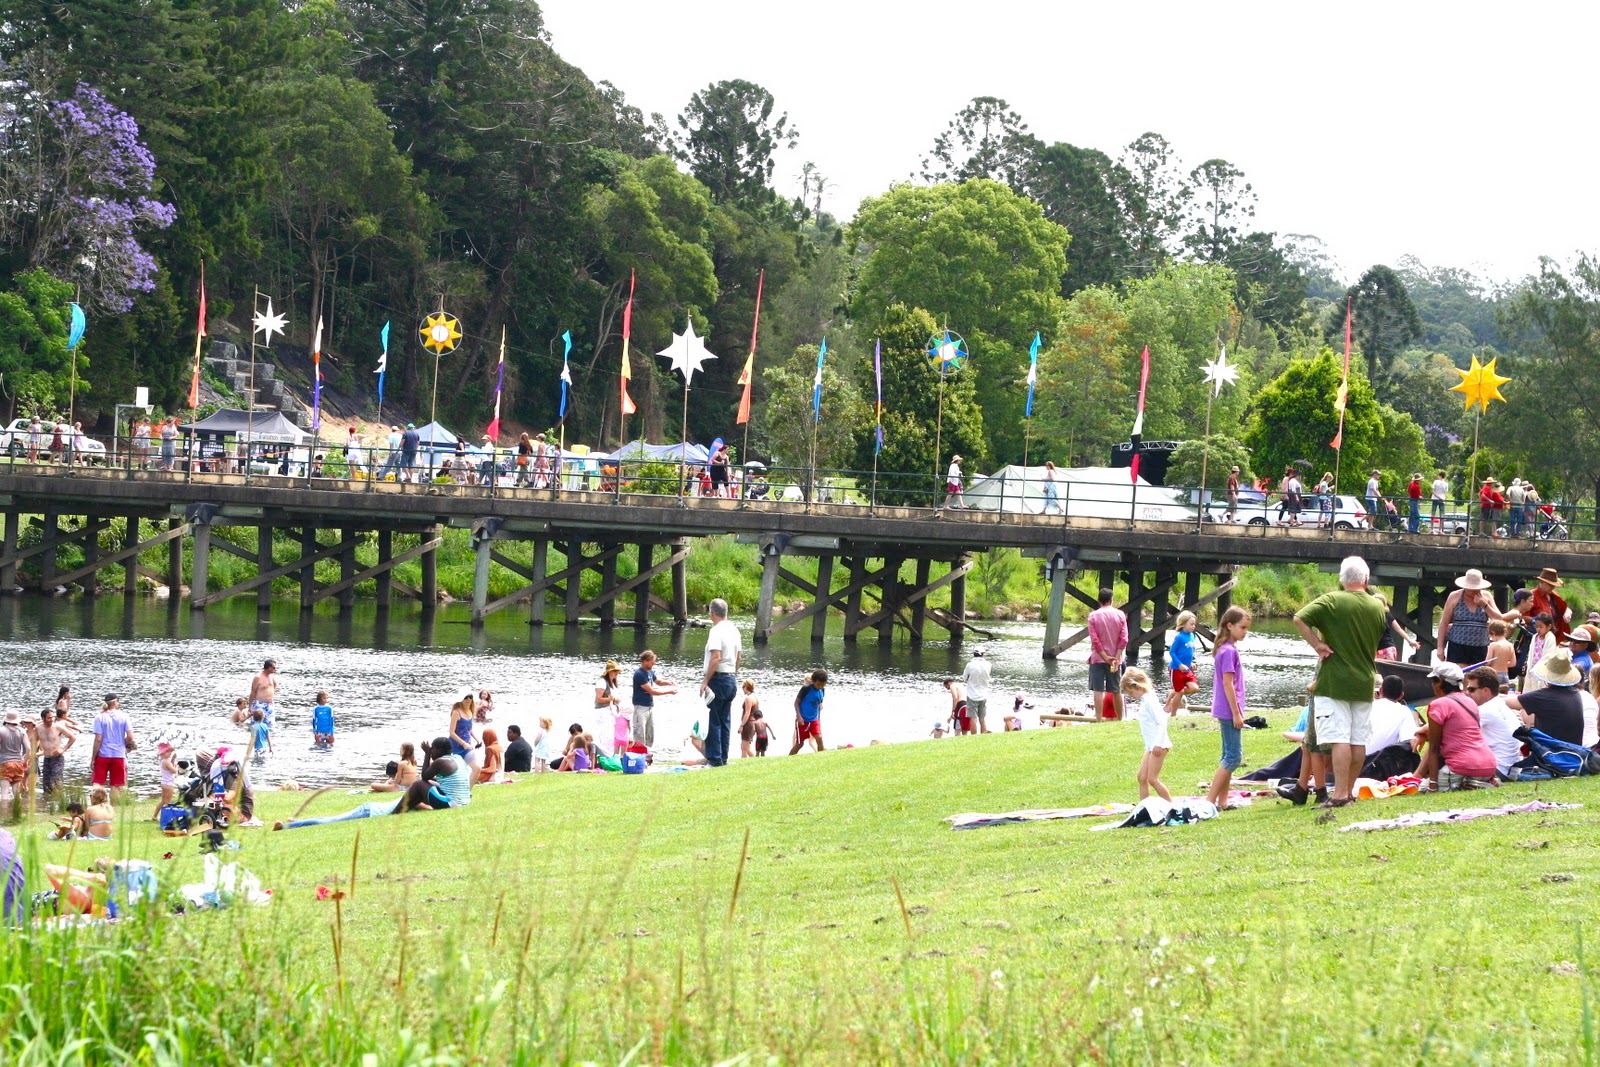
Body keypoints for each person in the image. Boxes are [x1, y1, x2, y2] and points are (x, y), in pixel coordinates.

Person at [1293, 556, 1386, 809]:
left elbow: (1299, 618)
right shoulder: (1377, 607)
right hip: (1365, 679)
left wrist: (1318, 645)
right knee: (1358, 740)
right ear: (1366, 580)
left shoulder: (1332, 600)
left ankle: (1339, 795)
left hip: (1334, 680)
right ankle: (1348, 792)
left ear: (1342, 579)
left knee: (1339, 739)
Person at [1416, 663, 1499, 791]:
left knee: (1421, 788)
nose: (1432, 685)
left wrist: (1433, 785)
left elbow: (1434, 748)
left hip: (1462, 766)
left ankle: (1464, 783)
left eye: (1434, 681)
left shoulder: (1438, 704)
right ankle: (1473, 784)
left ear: (1441, 682)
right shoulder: (1470, 702)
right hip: (1488, 766)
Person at [1205, 606, 1252, 809]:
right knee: (1233, 757)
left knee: (1228, 755)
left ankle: (1223, 802)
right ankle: (1209, 802)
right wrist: (1236, 714)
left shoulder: (1226, 649)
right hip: (1228, 710)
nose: (1244, 632)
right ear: (1229, 625)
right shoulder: (1227, 651)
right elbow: (1228, 684)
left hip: (1228, 709)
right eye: (1242, 627)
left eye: (1246, 629)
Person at [1505, 647, 1585, 745]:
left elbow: (1508, 703)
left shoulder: (1544, 696)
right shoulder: (1575, 694)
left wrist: (1497, 694)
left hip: (1551, 754)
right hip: (1572, 753)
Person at [698, 598, 742, 767]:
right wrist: (734, 674)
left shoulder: (716, 631)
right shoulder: (734, 630)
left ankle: (715, 759)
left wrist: (705, 681)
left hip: (718, 678)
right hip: (731, 677)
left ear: (711, 613)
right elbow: (739, 657)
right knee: (725, 720)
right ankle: (723, 757)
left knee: (714, 719)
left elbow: (716, 657)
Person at [1436, 569, 1512, 667]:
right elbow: (1444, 623)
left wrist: (1485, 605)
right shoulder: (1455, 596)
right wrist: (1440, 647)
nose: (1475, 591)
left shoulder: (1486, 596)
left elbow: (1498, 619)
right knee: (1460, 676)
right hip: (1458, 644)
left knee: (1478, 677)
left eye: (1477, 588)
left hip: (1480, 645)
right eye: (1471, 589)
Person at [1463, 665, 1526, 777]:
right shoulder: (1498, 703)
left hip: (1499, 770)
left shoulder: (1485, 710)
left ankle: (1423, 777)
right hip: (1509, 770)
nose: (1467, 693)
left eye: (1471, 689)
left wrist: (1421, 730)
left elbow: (1452, 729)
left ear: (1485, 690)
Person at [1123, 668, 1172, 802]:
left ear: (1137, 686)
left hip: (1159, 745)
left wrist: (1157, 744)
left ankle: (1172, 807)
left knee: (1152, 779)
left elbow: (1161, 721)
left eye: (1130, 692)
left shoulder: (1150, 699)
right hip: (1150, 746)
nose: (1131, 695)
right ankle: (1144, 807)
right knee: (1142, 777)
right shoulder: (1145, 700)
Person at [1087, 587, 1128, 720]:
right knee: (1116, 690)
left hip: (1098, 658)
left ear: (1099, 600)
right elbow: (1124, 638)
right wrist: (1116, 657)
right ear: (1111, 600)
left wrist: (1105, 656)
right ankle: (1120, 719)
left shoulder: (1093, 616)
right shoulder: (1120, 614)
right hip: (1116, 659)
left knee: (1098, 690)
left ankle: (1098, 719)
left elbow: (1095, 640)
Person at [90, 694, 136, 800]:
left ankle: (95, 805)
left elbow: (98, 739)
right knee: (115, 785)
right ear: (115, 703)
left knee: (97, 782)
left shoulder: (100, 717)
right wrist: (122, 743)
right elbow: (130, 736)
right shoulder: (124, 716)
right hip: (119, 755)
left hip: (103, 754)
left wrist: (93, 758)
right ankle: (114, 808)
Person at [632, 650, 675, 749]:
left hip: (649, 707)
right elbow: (651, 691)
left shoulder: (650, 672)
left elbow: (658, 681)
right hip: (640, 708)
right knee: (640, 733)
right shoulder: (639, 674)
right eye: (652, 662)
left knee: (649, 733)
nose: (654, 663)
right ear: (645, 661)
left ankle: (647, 754)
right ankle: (638, 755)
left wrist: (669, 682)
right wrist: (668, 692)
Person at [1520, 567, 1570, 644]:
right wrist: (1536, 620)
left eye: (1553, 585)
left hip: (1555, 638)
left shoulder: (1553, 596)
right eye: (1550, 584)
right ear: (1541, 582)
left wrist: (1567, 611)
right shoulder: (1531, 596)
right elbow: (1521, 616)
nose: (1553, 587)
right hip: (1536, 638)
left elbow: (1563, 607)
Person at [35, 705, 76, 797]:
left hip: (57, 758)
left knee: (55, 781)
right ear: (43, 718)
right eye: (49, 718)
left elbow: (72, 737)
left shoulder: (58, 727)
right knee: (46, 784)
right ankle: (47, 804)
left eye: (52, 717)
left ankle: (58, 801)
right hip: (46, 758)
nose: (51, 719)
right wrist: (36, 752)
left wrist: (63, 749)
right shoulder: (38, 728)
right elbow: (35, 740)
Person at [1164, 611, 1200, 716]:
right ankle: (1173, 714)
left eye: (1194, 624)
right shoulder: (1179, 637)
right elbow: (1172, 652)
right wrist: (1179, 664)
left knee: (1194, 688)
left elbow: (1190, 651)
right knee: (1180, 692)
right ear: (1183, 624)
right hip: (1176, 669)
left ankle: (1173, 692)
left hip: (1187, 669)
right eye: (1191, 624)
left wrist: (1192, 662)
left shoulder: (1192, 636)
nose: (1193, 626)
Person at [0, 711, 30, 820]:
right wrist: (25, 761)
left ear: (6, 720)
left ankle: (4, 816)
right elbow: (29, 749)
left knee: (4, 792)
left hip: (5, 763)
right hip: (18, 763)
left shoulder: (1, 731)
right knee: (17, 792)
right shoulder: (22, 731)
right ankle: (17, 814)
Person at [789, 669, 827, 754]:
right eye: (818, 684)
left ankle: (821, 759)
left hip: (814, 720)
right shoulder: (806, 689)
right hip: (803, 720)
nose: (820, 686)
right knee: (800, 744)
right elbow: (796, 703)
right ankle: (788, 759)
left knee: (819, 739)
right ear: (813, 681)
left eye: (822, 684)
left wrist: (818, 717)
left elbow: (819, 703)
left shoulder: (822, 690)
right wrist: (799, 716)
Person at [962, 649, 993, 734]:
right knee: (982, 718)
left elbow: (964, 678)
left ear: (974, 654)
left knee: (973, 718)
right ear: (983, 654)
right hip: (984, 694)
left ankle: (974, 736)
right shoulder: (988, 664)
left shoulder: (969, 665)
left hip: (972, 695)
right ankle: (983, 734)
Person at [1523, 612, 1556, 692]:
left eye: (1541, 627)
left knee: (1540, 688)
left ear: (1549, 627)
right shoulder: (1535, 637)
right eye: (1536, 627)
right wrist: (1528, 664)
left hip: (1542, 669)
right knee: (1530, 689)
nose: (1538, 629)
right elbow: (1531, 652)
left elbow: (1548, 655)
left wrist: (1537, 668)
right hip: (1532, 667)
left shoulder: (1550, 638)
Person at [152, 742, 179, 821]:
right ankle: (166, 818)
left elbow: (169, 768)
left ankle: (155, 816)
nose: (170, 753)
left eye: (170, 751)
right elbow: (174, 771)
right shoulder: (166, 762)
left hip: (164, 783)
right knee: (168, 802)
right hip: (169, 784)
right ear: (162, 753)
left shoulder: (163, 760)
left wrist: (173, 759)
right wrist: (176, 767)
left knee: (163, 801)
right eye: (167, 752)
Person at [1485, 621, 1517, 686]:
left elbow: (1488, 662)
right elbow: (1513, 663)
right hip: (1505, 674)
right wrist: (1503, 663)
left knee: (1493, 694)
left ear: (1493, 633)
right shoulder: (1510, 645)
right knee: (1503, 694)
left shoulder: (1493, 645)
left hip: (1494, 674)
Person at [249, 659, 279, 728]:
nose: (275, 669)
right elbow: (253, 692)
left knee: (271, 725)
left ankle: (269, 738)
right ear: (269, 668)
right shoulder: (258, 677)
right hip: (260, 704)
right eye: (274, 668)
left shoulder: (272, 677)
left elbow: (274, 685)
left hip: (270, 705)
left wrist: (271, 695)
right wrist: (250, 706)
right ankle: (254, 738)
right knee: (257, 725)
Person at [739, 680, 761, 758]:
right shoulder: (755, 697)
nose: (742, 689)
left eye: (743, 687)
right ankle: (743, 763)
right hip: (754, 723)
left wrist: (741, 725)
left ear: (746, 687)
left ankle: (757, 760)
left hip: (748, 724)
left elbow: (747, 713)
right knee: (743, 746)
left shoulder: (748, 699)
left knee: (745, 747)